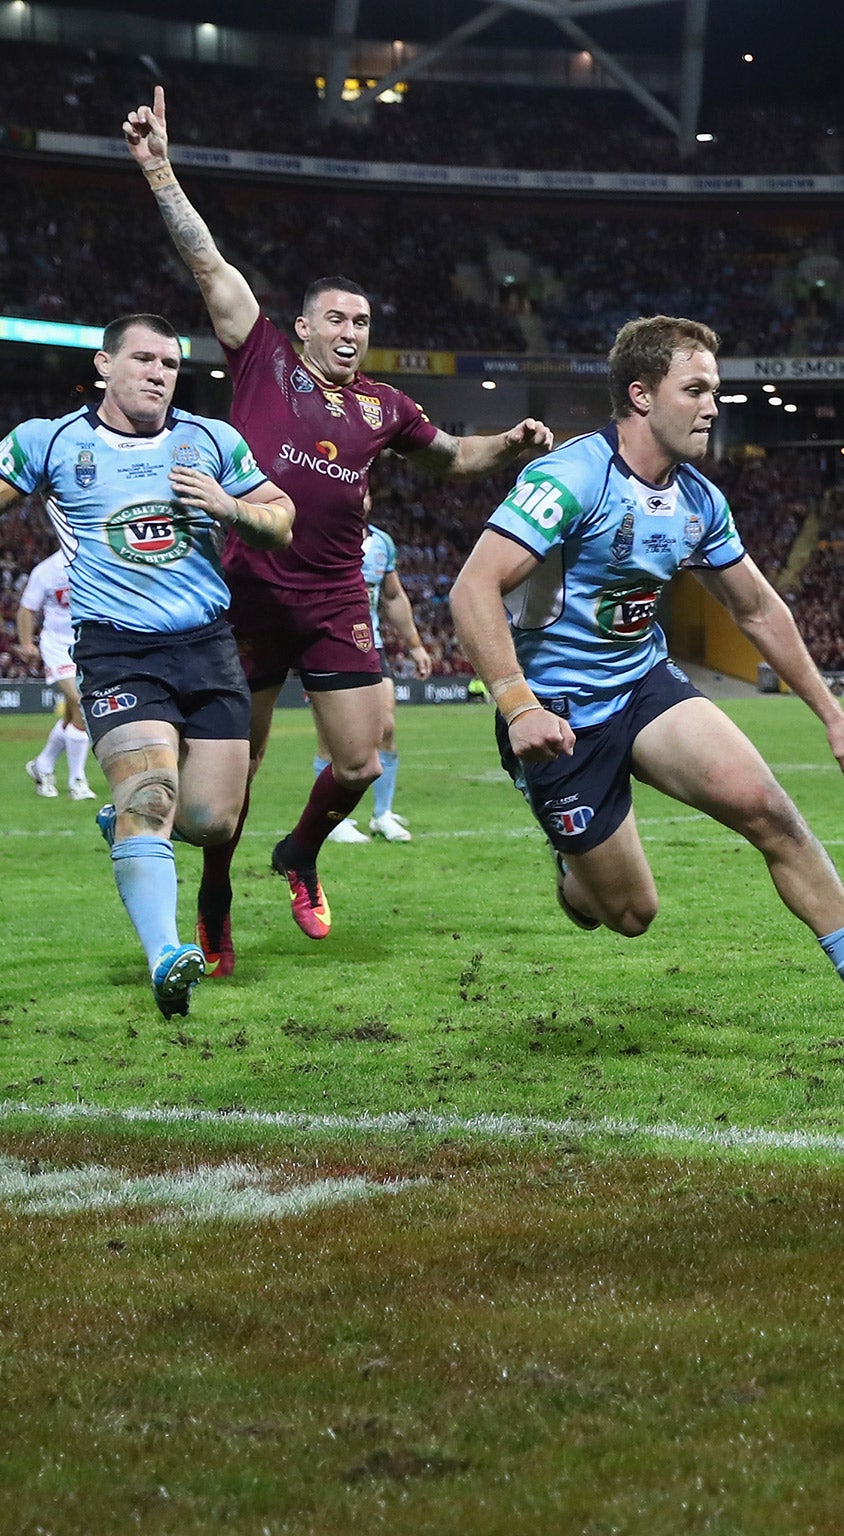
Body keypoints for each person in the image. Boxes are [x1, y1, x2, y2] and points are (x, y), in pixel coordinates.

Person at [124, 86, 551, 975]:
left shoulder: (383, 407)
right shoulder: (261, 355)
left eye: (363, 322)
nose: (352, 333)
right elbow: (208, 267)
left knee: (358, 762)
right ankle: (214, 893)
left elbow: (450, 460)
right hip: (241, 587)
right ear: (307, 323)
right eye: (339, 320)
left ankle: (303, 854)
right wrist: (161, 169)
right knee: (227, 787)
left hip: (331, 594)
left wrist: (508, 446)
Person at [449, 315, 844, 1046]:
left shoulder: (698, 500)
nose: (713, 406)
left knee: (773, 813)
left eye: (715, 390)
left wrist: (833, 715)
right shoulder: (567, 478)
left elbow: (757, 608)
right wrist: (516, 704)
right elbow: (472, 590)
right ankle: (575, 875)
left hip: (645, 684)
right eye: (695, 389)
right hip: (558, 715)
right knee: (627, 916)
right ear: (640, 395)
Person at [0, 314, 293, 1016]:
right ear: (104, 365)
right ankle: (167, 956)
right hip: (117, 650)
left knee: (214, 820)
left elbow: (281, 520)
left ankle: (125, 822)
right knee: (152, 794)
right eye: (142, 358)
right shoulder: (52, 441)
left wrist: (229, 506)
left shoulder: (211, 440)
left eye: (169, 361)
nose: (158, 371)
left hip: (209, 646)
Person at [318, 516, 432, 844]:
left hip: (371, 646)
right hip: (328, 646)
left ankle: (382, 814)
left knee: (386, 728)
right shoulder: (321, 531)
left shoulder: (382, 543)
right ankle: (333, 818)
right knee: (333, 741)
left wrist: (415, 646)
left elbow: (393, 597)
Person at [16, 548, 93, 800]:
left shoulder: (95, 561)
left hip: (88, 645)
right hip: (58, 646)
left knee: (74, 712)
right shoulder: (47, 570)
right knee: (82, 702)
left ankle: (42, 765)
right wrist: (27, 644)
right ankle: (77, 781)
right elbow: (27, 609)